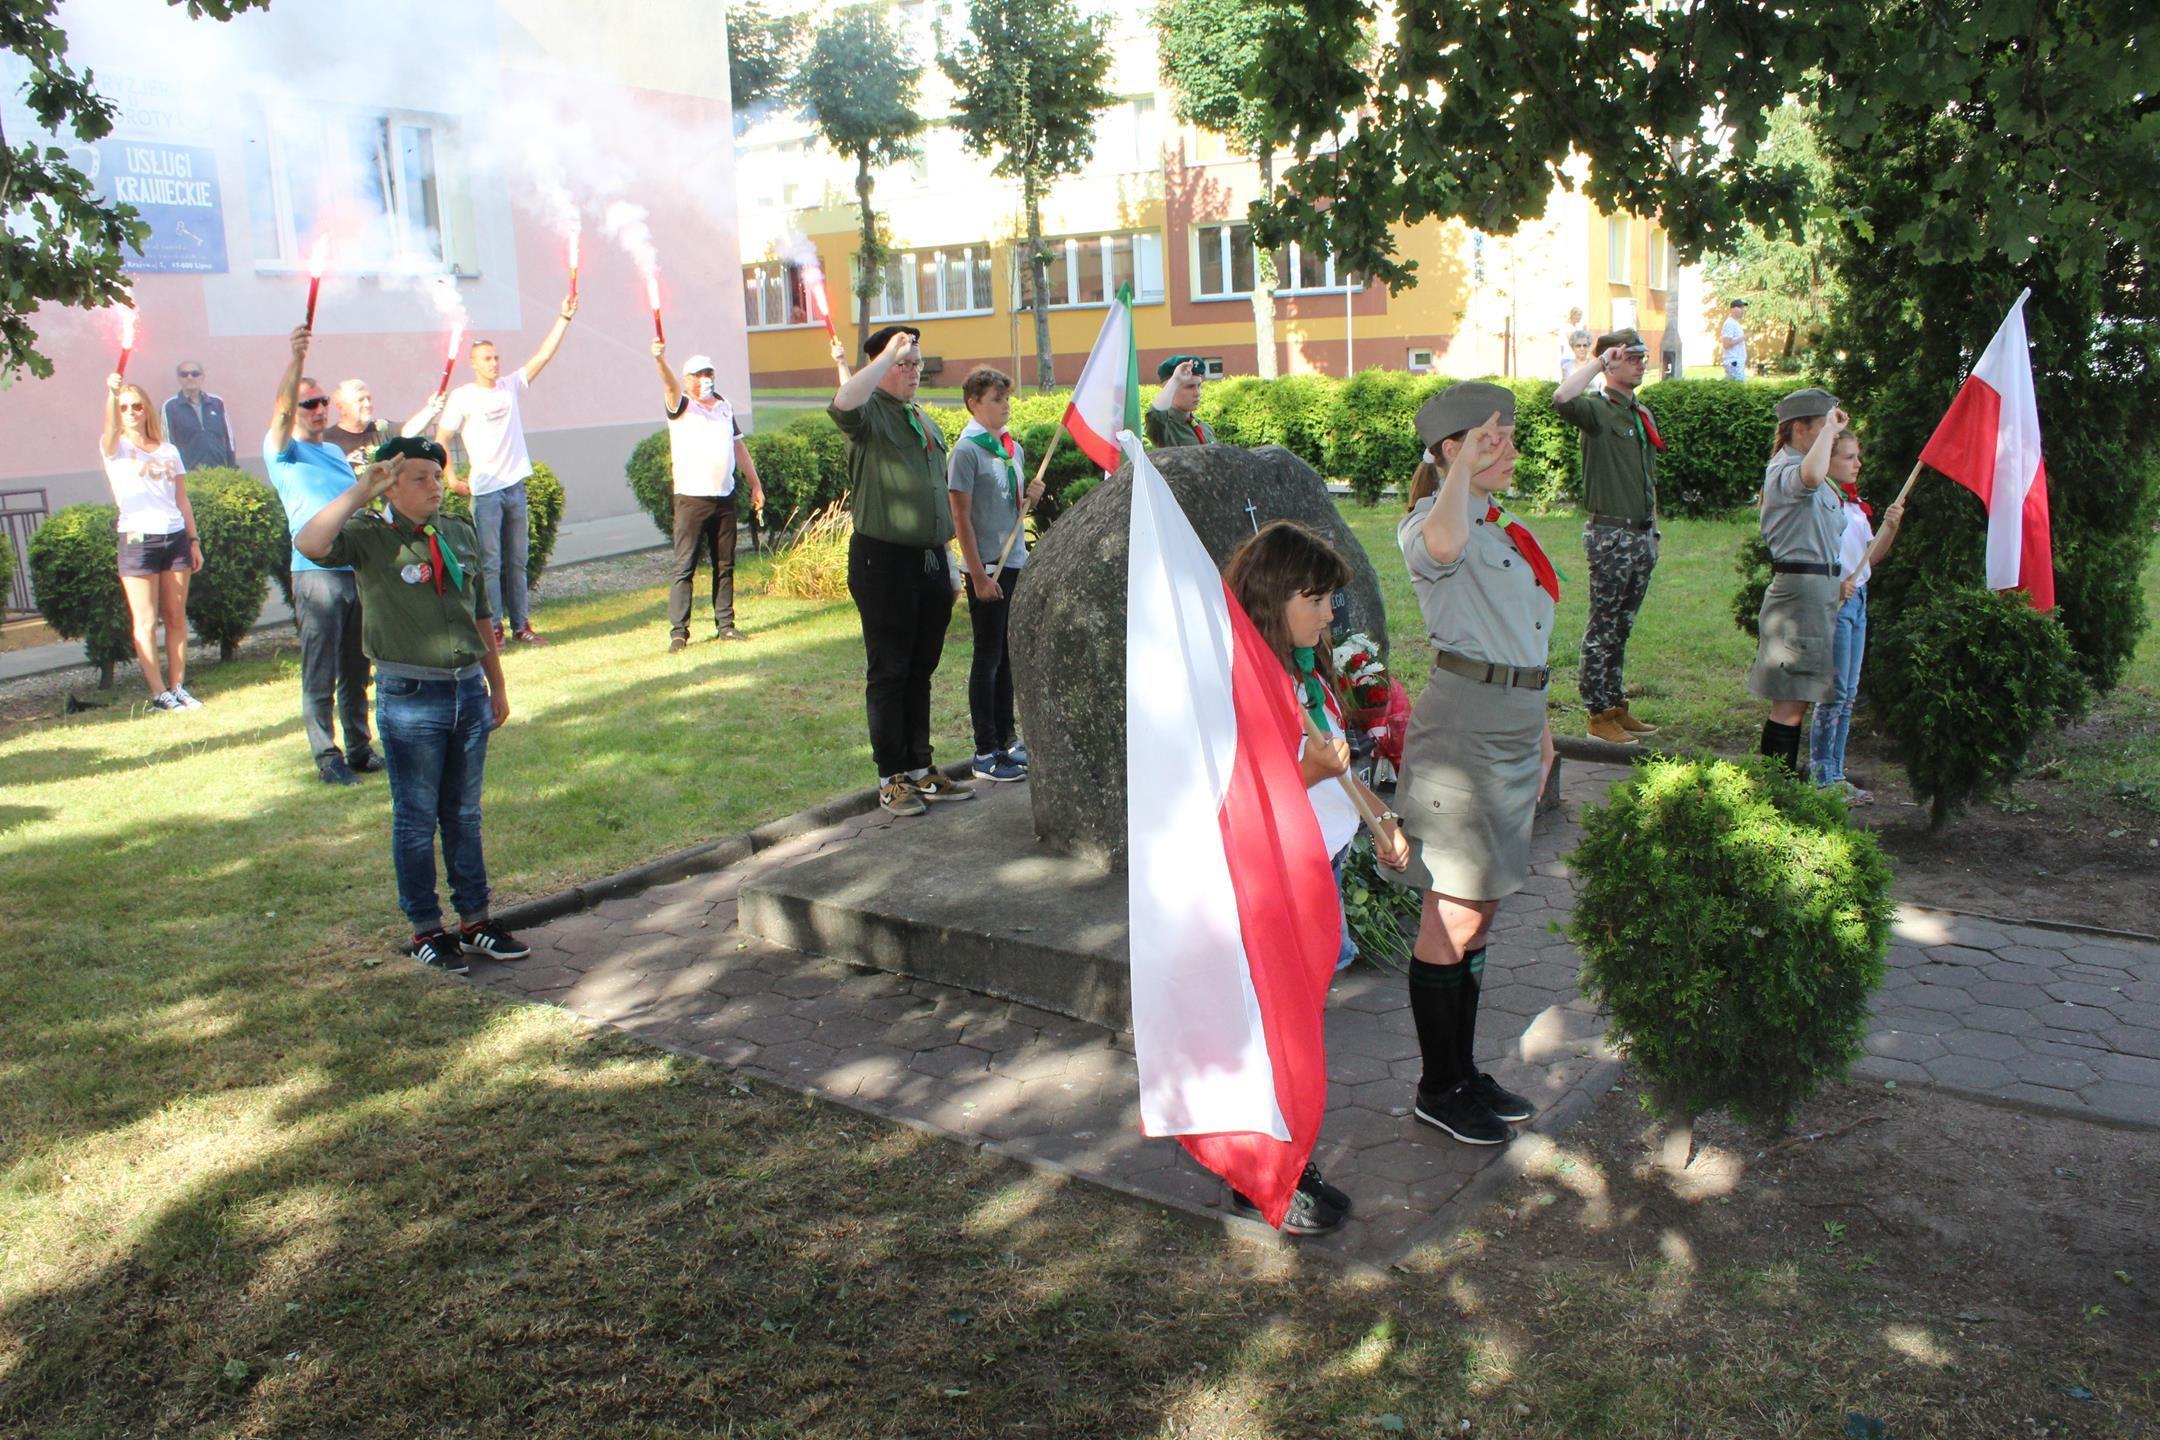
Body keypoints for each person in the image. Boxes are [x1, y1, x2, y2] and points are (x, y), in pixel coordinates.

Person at [1390, 382, 1558, 1147]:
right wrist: (1457, 468)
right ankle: (1437, 1084)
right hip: (1465, 733)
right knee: (1453, 909)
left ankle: (1461, 1071)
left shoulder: (1501, 524)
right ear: (1453, 450)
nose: (1512, 450)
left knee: (1483, 907)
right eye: (1495, 439)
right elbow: (1445, 548)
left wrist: (1544, 725)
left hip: (1516, 722)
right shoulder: (1431, 524)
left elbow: (1523, 633)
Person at [293, 436, 527, 974]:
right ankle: (427, 928)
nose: (434, 488)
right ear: (392, 485)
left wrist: (497, 684)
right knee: (417, 820)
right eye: (420, 478)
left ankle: (476, 921)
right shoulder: (371, 537)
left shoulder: (457, 531)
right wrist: (360, 492)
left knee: (464, 815)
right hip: (411, 695)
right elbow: (310, 542)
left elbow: (481, 613)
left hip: (467, 689)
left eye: (438, 477)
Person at [830, 324, 973, 817]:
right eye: (902, 363)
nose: (914, 372)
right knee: (890, 669)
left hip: (930, 558)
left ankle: (920, 768)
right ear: (878, 367)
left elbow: (937, 493)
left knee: (921, 668)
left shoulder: (921, 419)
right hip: (884, 560)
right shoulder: (869, 415)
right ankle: (890, 776)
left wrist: (950, 562)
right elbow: (843, 403)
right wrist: (882, 355)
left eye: (916, 363)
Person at [265, 324, 377, 784]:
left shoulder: (333, 450)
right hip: (315, 575)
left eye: (321, 403)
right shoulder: (282, 452)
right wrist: (296, 361)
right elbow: (280, 409)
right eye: (308, 404)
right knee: (321, 668)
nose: (317, 411)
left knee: (357, 666)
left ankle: (359, 748)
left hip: (355, 570)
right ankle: (326, 755)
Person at [435, 294, 578, 646]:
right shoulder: (464, 396)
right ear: (474, 364)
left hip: (515, 486)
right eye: (487, 359)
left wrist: (563, 318)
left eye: (497, 357)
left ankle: (521, 625)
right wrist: (450, 476)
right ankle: (493, 628)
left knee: (517, 562)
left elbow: (543, 356)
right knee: (490, 564)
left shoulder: (510, 386)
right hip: (485, 492)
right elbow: (442, 435)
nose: (495, 363)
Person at [1552, 326, 1664, 745]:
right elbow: (1562, 398)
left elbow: (1647, 477)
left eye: (1641, 357)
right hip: (1610, 535)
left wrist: (1653, 528)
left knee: (1622, 626)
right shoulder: (1598, 410)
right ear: (1612, 361)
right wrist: (1599, 361)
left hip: (1639, 535)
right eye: (1629, 357)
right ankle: (1597, 713)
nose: (1639, 364)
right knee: (1603, 627)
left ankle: (1616, 705)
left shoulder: (1639, 413)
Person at [947, 366, 1044, 783]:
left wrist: (1031, 499)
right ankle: (985, 749)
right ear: (974, 404)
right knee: (987, 657)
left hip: (1015, 560)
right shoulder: (967, 451)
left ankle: (1007, 738)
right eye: (996, 400)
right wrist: (978, 574)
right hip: (987, 565)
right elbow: (961, 517)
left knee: (1007, 657)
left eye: (1007, 399)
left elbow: (1012, 509)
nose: (1005, 406)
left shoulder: (1011, 450)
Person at [1748, 388, 1849, 775]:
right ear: (1800, 429)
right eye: (1824, 426)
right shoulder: (1788, 468)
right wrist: (1828, 433)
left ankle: (1781, 789)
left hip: (1816, 592)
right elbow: (1808, 477)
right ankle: (1776, 792)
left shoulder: (1813, 469)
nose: (1834, 433)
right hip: (1799, 594)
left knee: (1799, 698)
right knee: (1791, 701)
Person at [1809, 431, 1907, 801]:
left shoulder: (1855, 504)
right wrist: (1834, 585)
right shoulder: (1823, 502)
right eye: (1850, 457)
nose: (1858, 463)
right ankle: (1820, 776)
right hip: (1836, 602)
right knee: (1832, 693)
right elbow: (1815, 552)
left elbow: (1871, 556)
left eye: (1857, 456)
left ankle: (1836, 773)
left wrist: (1890, 527)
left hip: (1859, 599)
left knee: (1848, 694)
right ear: (1829, 461)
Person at [655, 343, 766, 652]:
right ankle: (679, 631)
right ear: (687, 378)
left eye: (708, 373)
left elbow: (738, 446)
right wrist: (659, 358)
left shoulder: (724, 406)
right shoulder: (681, 405)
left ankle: (725, 625)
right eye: (698, 374)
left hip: (723, 498)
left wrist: (755, 484)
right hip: (691, 499)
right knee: (685, 565)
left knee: (725, 563)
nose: (704, 379)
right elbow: (668, 383)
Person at [102, 373, 203, 710]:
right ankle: (158, 692)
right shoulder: (116, 448)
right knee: (145, 620)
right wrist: (111, 394)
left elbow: (182, 500)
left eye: (137, 406)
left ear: (147, 410)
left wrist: (193, 540)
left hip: (173, 536)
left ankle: (178, 687)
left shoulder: (168, 450)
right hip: (137, 539)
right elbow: (109, 433)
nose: (132, 412)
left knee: (175, 616)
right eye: (125, 408)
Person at [325, 378, 445, 472]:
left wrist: (431, 410)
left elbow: (407, 431)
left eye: (369, 399)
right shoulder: (327, 441)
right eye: (360, 400)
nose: (368, 404)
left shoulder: (381, 427)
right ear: (341, 407)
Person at [163, 360, 237, 472]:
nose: (190, 377)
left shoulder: (217, 403)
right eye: (184, 374)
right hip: (188, 472)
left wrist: (232, 467)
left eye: (195, 373)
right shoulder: (170, 407)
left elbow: (229, 438)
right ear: (179, 378)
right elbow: (167, 442)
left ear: (202, 377)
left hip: (220, 470)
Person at [1143, 357, 1215, 447]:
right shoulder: (1164, 428)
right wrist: (1175, 380)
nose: (1197, 393)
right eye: (1190, 387)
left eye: (1199, 386)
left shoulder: (1205, 428)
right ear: (1169, 387)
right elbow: (1155, 415)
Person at [1721, 300, 1750, 380]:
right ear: (1732, 309)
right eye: (1740, 307)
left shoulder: (1735, 323)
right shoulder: (1729, 324)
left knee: (1732, 387)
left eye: (1743, 308)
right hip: (1734, 362)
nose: (1742, 310)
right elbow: (1726, 344)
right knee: (1739, 387)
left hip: (1737, 362)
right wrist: (1743, 337)